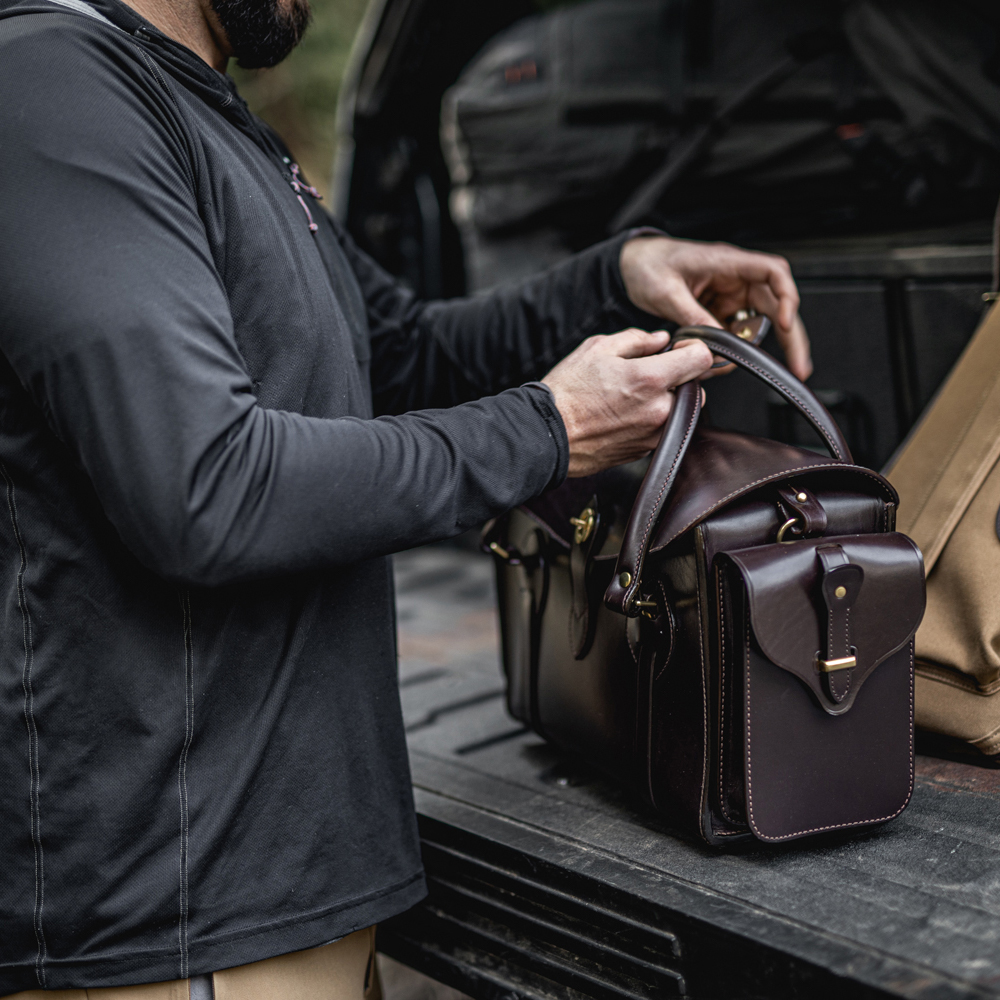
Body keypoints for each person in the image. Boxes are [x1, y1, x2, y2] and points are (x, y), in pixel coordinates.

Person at [0, 0, 812, 993]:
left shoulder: (203, 106)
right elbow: (206, 490)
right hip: (174, 925)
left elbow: (396, 351)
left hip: (295, 897)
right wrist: (548, 431)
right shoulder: (46, 85)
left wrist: (617, 278)